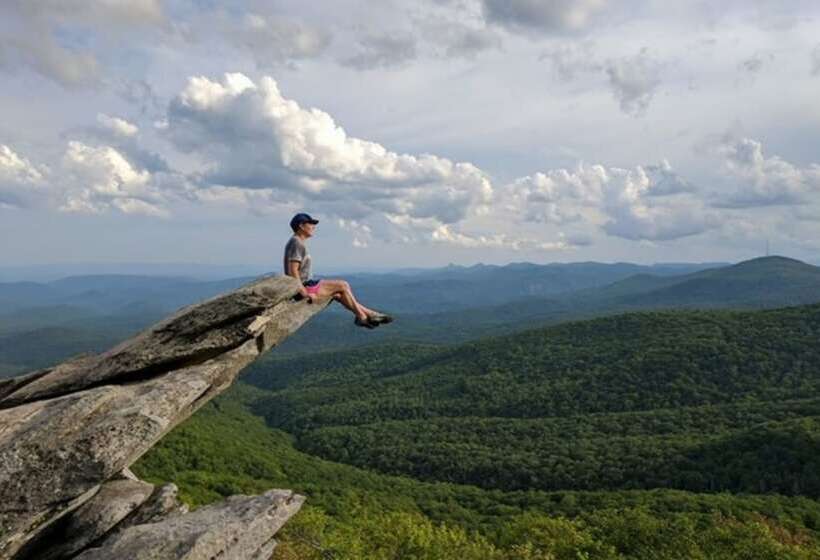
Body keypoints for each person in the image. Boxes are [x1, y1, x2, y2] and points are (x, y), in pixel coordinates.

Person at [284, 212, 393, 329]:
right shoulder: (297, 242)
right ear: (301, 226)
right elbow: (292, 271)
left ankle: (369, 314)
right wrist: (304, 294)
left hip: (305, 285)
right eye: (310, 223)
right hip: (303, 288)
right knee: (342, 285)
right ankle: (362, 317)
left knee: (338, 294)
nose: (313, 227)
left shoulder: (296, 241)